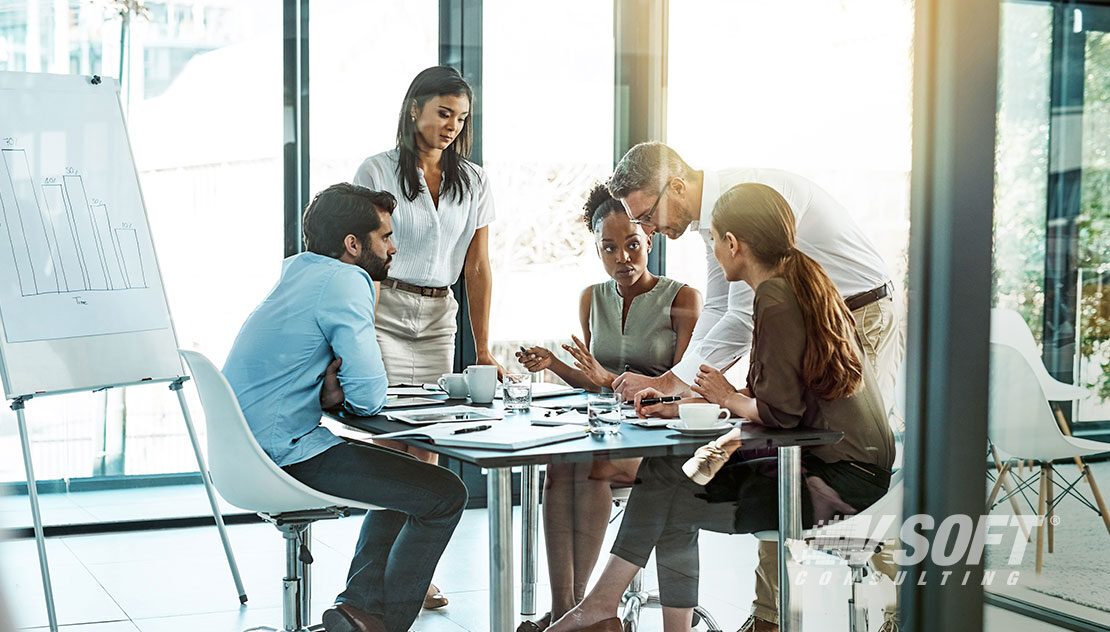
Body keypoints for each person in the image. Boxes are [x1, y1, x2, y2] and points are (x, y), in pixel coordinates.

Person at [545, 183, 895, 632]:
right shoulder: (801, 282)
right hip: (851, 465)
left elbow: (779, 415)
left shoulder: (775, 297)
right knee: (671, 477)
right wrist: (685, 402)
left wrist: (726, 398)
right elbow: (778, 397)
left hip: (835, 481)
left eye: (713, 240)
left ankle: (598, 608)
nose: (712, 249)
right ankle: (611, 611)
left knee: (672, 489)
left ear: (733, 244)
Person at [223, 184, 468, 632]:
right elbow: (371, 394)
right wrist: (344, 390)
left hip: (248, 454)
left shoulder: (300, 273)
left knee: (405, 482)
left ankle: (358, 609)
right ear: (353, 245)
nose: (394, 248)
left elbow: (315, 376)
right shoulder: (345, 279)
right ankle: (384, 625)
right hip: (283, 456)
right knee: (446, 493)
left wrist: (327, 393)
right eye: (386, 237)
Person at [513, 184, 701, 631]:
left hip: (659, 437)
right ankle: (568, 611)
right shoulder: (591, 298)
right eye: (610, 248)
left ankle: (584, 613)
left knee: (593, 465)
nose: (623, 258)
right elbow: (593, 377)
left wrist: (608, 382)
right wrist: (556, 363)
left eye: (633, 245)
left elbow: (685, 388)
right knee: (562, 468)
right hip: (605, 427)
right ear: (597, 250)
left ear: (649, 240)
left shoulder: (683, 298)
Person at [354, 65, 499, 608]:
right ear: (414, 107)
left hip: (439, 318)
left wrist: (482, 348)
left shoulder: (476, 180)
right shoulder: (377, 169)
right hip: (386, 308)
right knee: (393, 447)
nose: (452, 127)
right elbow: (360, 258)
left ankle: (415, 574)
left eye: (461, 118)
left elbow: (479, 268)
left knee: (428, 449)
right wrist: (357, 337)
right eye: (443, 113)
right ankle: (379, 581)